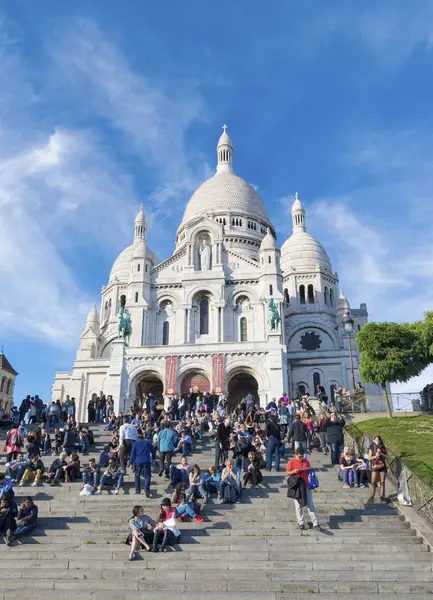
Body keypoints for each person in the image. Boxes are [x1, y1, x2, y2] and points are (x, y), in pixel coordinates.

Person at [286, 447, 321, 531]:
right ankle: (301, 522)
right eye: (299, 457)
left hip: (306, 485)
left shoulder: (306, 462)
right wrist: (294, 471)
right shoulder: (291, 462)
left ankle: (315, 523)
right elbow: (287, 473)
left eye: (302, 456)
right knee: (298, 506)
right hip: (297, 486)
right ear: (296, 455)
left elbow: (309, 471)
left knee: (310, 504)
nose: (301, 458)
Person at [366, 435, 390, 503]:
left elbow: (387, 456)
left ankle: (382, 497)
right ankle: (371, 497)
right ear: (373, 440)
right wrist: (375, 456)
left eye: (378, 440)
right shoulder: (371, 447)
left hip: (382, 466)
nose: (377, 441)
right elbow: (369, 458)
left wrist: (381, 453)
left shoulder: (382, 447)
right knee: (373, 482)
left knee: (382, 482)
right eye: (376, 440)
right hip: (375, 466)